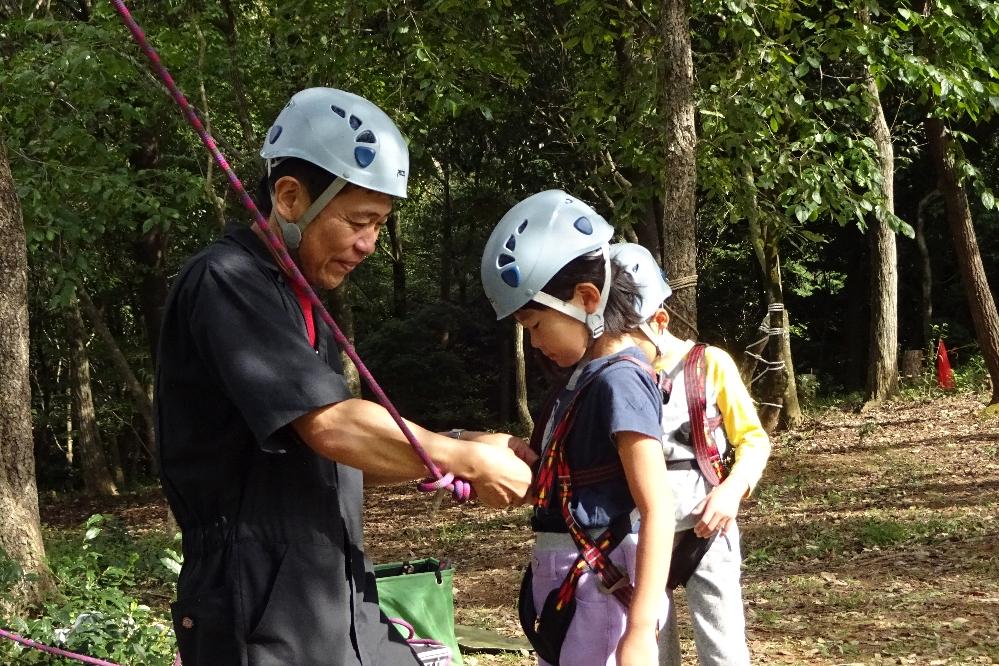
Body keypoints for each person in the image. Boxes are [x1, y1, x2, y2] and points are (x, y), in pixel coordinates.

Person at [155, 87, 533, 666]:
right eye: (358, 220)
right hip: (258, 609)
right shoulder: (228, 282)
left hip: (337, 596)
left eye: (380, 225)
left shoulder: (303, 303)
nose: (369, 244)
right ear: (288, 196)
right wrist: (463, 461)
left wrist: (458, 445)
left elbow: (334, 461)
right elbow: (330, 427)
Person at [480, 190, 675, 666]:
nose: (533, 340)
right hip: (573, 583)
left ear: (587, 299)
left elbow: (659, 507)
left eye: (535, 323)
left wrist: (641, 631)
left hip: (599, 587)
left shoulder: (620, 381)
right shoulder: (580, 381)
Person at [610, 243, 771, 666]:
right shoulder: (617, 378)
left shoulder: (710, 364)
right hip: (637, 537)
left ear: (659, 320)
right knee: (650, 647)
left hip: (707, 529)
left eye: (627, 335)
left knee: (723, 651)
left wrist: (732, 490)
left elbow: (753, 440)